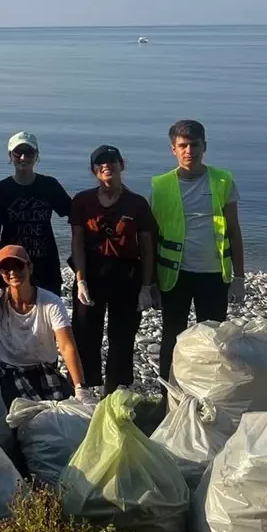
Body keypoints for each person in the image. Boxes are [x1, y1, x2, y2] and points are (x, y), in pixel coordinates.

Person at [150, 120, 246, 381]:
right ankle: (168, 396)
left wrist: (239, 277)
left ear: (205, 146)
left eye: (194, 144)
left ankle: (211, 394)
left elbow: (234, 231)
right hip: (174, 275)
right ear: (173, 149)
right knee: (172, 335)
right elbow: (152, 236)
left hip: (214, 274)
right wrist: (150, 283)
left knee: (214, 338)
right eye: (183, 145)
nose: (189, 150)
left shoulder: (223, 180)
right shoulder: (160, 185)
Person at [0, 245, 86, 407]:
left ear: (30, 268)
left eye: (19, 266)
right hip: (6, 370)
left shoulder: (51, 302)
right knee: (12, 413)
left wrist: (80, 388)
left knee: (60, 412)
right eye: (5, 268)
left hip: (43, 369)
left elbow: (66, 345)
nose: (13, 272)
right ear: (0, 273)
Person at [69, 145, 156, 394]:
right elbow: (77, 242)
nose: (106, 165)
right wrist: (81, 280)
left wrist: (147, 287)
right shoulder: (83, 201)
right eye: (100, 162)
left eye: (112, 161)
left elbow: (147, 246)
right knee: (85, 333)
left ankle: (114, 391)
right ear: (94, 170)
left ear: (122, 165)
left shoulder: (136, 203)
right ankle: (84, 389)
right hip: (92, 272)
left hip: (127, 275)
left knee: (123, 336)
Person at [0, 132, 72, 295]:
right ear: (10, 156)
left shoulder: (49, 185)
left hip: (46, 266)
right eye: (18, 153)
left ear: (37, 156)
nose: (23, 158)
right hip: (11, 265)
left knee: (47, 316)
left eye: (29, 153)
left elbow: (74, 214)